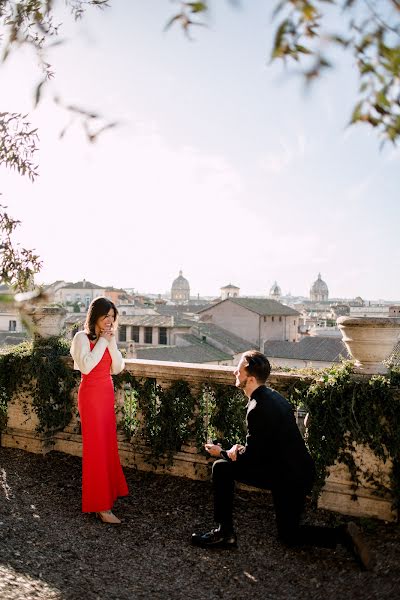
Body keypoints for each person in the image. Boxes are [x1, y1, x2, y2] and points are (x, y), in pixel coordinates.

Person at [191, 350, 374, 570]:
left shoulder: (257, 408)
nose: (234, 372)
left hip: (286, 477)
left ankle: (224, 533)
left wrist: (222, 452)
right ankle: (343, 534)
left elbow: (252, 459)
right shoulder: (272, 397)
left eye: (238, 369)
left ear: (250, 377)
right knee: (289, 534)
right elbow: (265, 445)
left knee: (222, 468)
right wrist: (236, 450)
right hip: (296, 471)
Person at [70, 296, 128, 524]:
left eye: (112, 317)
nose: (109, 321)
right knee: (95, 449)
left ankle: (108, 494)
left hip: (106, 395)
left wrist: (110, 342)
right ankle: (100, 506)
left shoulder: (108, 338)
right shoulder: (81, 338)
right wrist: (104, 341)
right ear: (96, 316)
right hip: (91, 397)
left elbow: (118, 367)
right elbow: (86, 365)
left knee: (107, 446)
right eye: (106, 316)